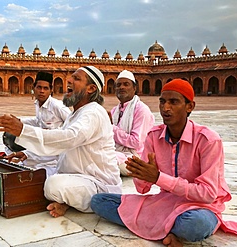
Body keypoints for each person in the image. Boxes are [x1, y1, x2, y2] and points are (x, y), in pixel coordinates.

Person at [91, 79, 237, 246]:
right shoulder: (154, 136)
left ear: (190, 107)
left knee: (195, 225)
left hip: (200, 208)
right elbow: (142, 188)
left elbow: (208, 194)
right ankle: (166, 231)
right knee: (99, 201)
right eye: (162, 102)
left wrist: (159, 178)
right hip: (166, 203)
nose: (165, 108)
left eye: (173, 102)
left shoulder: (208, 141)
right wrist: (142, 174)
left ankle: (156, 225)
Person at [0, 66, 122, 218]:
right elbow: (62, 150)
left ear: (91, 88)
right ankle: (67, 201)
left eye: (76, 79)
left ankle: (70, 201)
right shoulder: (76, 114)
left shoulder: (93, 112)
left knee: (52, 185)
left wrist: (23, 130)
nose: (69, 80)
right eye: (71, 77)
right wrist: (28, 155)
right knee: (36, 175)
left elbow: (69, 137)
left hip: (98, 184)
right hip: (77, 177)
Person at [3, 71, 71, 176]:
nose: (42, 91)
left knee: (38, 172)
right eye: (39, 87)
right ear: (34, 88)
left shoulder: (57, 106)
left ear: (51, 90)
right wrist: (19, 122)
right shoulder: (38, 103)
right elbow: (38, 121)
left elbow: (72, 126)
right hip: (42, 145)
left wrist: (54, 133)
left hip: (55, 149)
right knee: (11, 142)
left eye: (45, 88)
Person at [109, 70, 155, 176]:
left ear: (134, 88)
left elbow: (136, 142)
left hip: (137, 158)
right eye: (118, 85)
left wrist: (111, 128)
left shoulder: (141, 110)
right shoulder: (115, 110)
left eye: (126, 84)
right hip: (118, 153)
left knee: (103, 159)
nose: (122, 87)